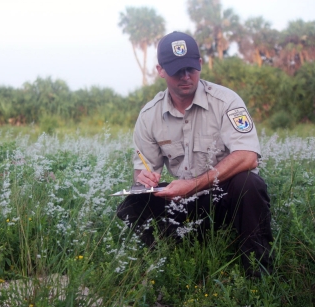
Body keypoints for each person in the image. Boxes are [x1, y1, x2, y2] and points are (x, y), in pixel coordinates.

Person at [116, 31, 273, 277]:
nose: (186, 76)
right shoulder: (149, 115)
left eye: (190, 67)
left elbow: (247, 156)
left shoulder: (226, 101)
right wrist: (144, 179)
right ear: (161, 70)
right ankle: (160, 266)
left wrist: (192, 185)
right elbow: (144, 169)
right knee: (133, 204)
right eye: (177, 70)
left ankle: (257, 271)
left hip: (224, 198)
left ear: (200, 64)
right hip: (183, 200)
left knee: (250, 183)